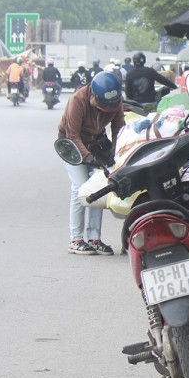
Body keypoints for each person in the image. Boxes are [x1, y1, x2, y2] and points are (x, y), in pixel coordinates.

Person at [56, 72, 126, 255]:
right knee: (80, 188)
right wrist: (88, 157)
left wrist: (115, 153)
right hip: (71, 145)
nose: (107, 109)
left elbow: (119, 129)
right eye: (103, 105)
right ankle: (76, 239)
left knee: (97, 188)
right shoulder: (77, 101)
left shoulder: (115, 101)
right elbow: (72, 135)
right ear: (93, 96)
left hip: (96, 143)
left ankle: (94, 238)